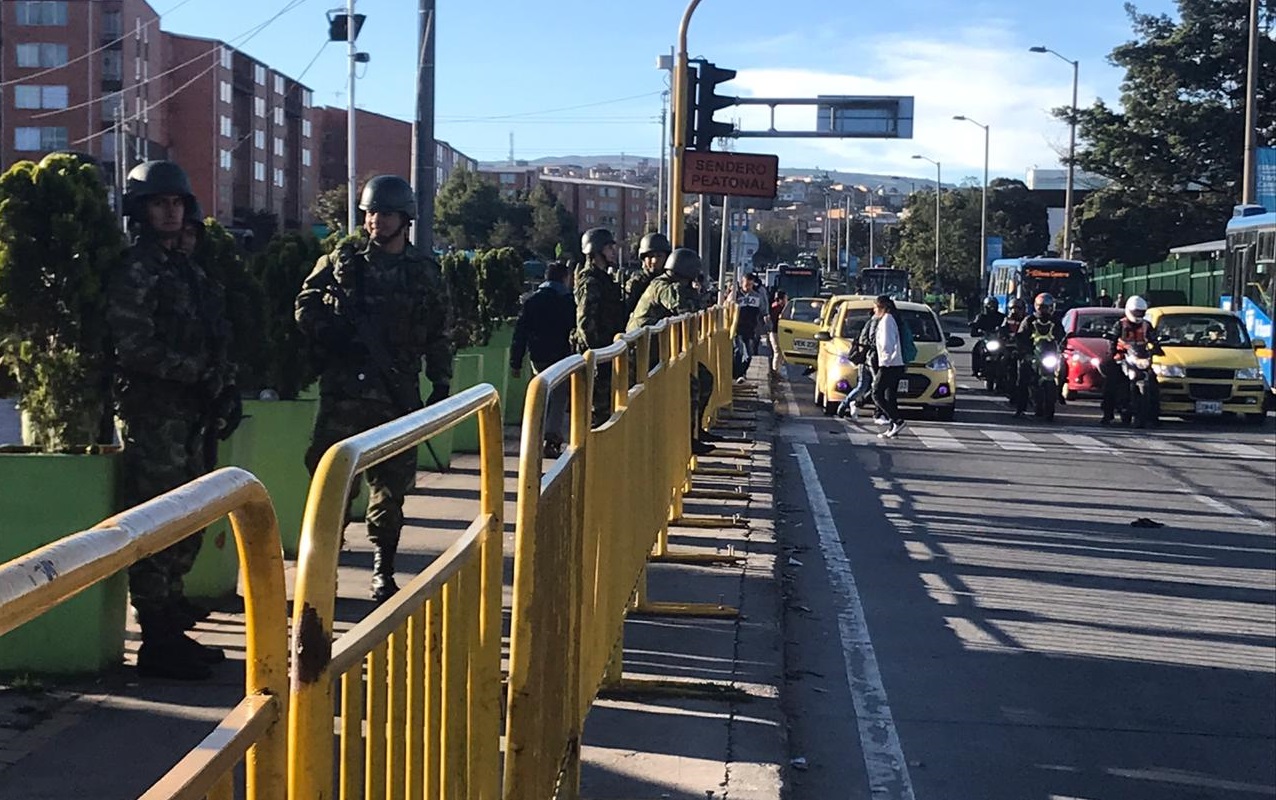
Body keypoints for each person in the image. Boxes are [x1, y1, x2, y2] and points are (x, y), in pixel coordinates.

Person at [108, 160, 239, 680]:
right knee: (158, 521)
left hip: (192, 413)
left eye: (177, 203)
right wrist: (193, 373)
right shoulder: (135, 269)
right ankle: (156, 638)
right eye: (160, 203)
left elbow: (213, 332)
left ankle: (171, 623)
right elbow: (133, 345)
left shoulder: (183, 268)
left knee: (188, 521)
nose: (170, 211)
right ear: (141, 210)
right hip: (154, 413)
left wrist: (222, 384)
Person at [295, 174, 453, 605]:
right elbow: (304, 304)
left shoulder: (422, 271)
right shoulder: (343, 261)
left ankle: (383, 570)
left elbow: (439, 331)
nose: (375, 222)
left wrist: (441, 382)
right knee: (331, 488)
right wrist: (332, 332)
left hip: (396, 393)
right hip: (344, 392)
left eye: (384, 214)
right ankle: (324, 568)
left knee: (391, 488)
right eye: (370, 214)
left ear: (405, 219)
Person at [628, 248, 715, 455]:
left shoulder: (667, 284)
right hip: (644, 352)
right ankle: (687, 438)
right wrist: (698, 293)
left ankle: (694, 432)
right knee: (693, 385)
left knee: (703, 379)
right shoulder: (663, 286)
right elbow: (685, 309)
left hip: (656, 350)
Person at [511, 260, 575, 458]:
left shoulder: (532, 301)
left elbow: (520, 333)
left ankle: (533, 436)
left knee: (540, 393)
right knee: (559, 397)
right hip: (561, 355)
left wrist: (516, 361)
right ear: (565, 278)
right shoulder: (567, 301)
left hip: (537, 356)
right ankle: (552, 438)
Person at [572, 227, 627, 426]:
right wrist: (597, 353)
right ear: (596, 251)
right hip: (598, 355)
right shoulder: (591, 281)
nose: (613, 251)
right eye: (608, 247)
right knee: (598, 415)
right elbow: (585, 321)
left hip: (606, 351)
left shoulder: (604, 279)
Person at [1101, 295, 1159, 426]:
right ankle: (1107, 414)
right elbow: (1113, 339)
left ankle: (1154, 416)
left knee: (1153, 382)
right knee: (1111, 382)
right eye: (1136, 312)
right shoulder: (1120, 324)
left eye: (1141, 312)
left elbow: (1153, 338)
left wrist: (1157, 348)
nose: (1138, 315)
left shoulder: (1146, 325)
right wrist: (1113, 352)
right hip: (1122, 357)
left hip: (1140, 357)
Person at [1012, 293, 1066, 417]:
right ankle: (1020, 408)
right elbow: (1020, 337)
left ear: (1051, 307)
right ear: (1036, 307)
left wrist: (1063, 346)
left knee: (1063, 370)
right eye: (1041, 307)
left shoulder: (1056, 322)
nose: (1044, 310)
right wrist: (1024, 352)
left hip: (1050, 354)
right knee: (1023, 379)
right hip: (1033, 354)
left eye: (1046, 307)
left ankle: (1059, 393)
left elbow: (1062, 336)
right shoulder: (1029, 321)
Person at [871, 295, 908, 438]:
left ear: (882, 307)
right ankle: (893, 427)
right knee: (889, 396)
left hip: (889, 364)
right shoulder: (891, 319)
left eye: (875, 307)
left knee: (876, 393)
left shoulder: (886, 320)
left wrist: (884, 362)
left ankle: (897, 420)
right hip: (896, 363)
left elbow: (887, 343)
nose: (874, 310)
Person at [836, 312, 878, 419]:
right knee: (875, 386)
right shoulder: (875, 323)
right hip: (870, 360)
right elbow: (871, 341)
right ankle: (851, 404)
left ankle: (846, 404)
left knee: (863, 386)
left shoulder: (870, 323)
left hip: (866, 359)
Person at [625, 232, 671, 313]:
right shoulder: (636, 283)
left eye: (659, 256)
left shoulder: (671, 281)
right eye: (650, 256)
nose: (654, 261)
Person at [969, 296, 1006, 377]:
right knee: (976, 349)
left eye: (993, 305)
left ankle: (1007, 370)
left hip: (998, 339)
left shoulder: (1001, 317)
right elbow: (974, 329)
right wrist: (975, 329)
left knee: (1008, 352)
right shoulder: (981, 317)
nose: (992, 307)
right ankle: (975, 369)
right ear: (985, 306)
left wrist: (1004, 332)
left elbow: (1006, 326)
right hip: (986, 339)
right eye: (989, 305)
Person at [767, 289, 788, 374]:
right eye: (785, 298)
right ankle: (775, 372)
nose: (787, 300)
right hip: (774, 331)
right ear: (781, 299)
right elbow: (776, 320)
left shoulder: (781, 307)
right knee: (777, 352)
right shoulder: (776, 307)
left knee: (779, 352)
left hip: (778, 331)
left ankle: (777, 370)